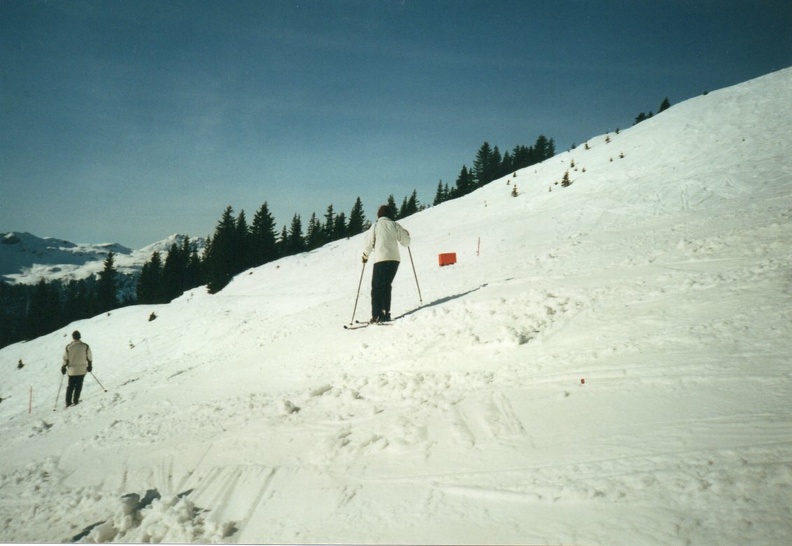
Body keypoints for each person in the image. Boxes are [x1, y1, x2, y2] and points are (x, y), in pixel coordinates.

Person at [362, 205, 411, 323]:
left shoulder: (376, 225)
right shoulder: (394, 225)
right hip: (394, 260)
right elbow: (406, 242)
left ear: (379, 215)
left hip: (380, 259)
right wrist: (407, 234)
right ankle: (385, 313)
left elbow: (368, 243)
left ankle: (376, 314)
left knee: (377, 287)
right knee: (386, 285)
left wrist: (365, 256)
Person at [61, 330, 93, 407]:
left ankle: (68, 402)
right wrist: (89, 365)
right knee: (79, 385)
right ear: (79, 336)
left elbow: (65, 358)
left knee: (70, 386)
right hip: (82, 370)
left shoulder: (69, 347)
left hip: (72, 370)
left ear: (73, 337)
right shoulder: (85, 346)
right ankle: (76, 400)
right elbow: (89, 357)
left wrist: (63, 367)